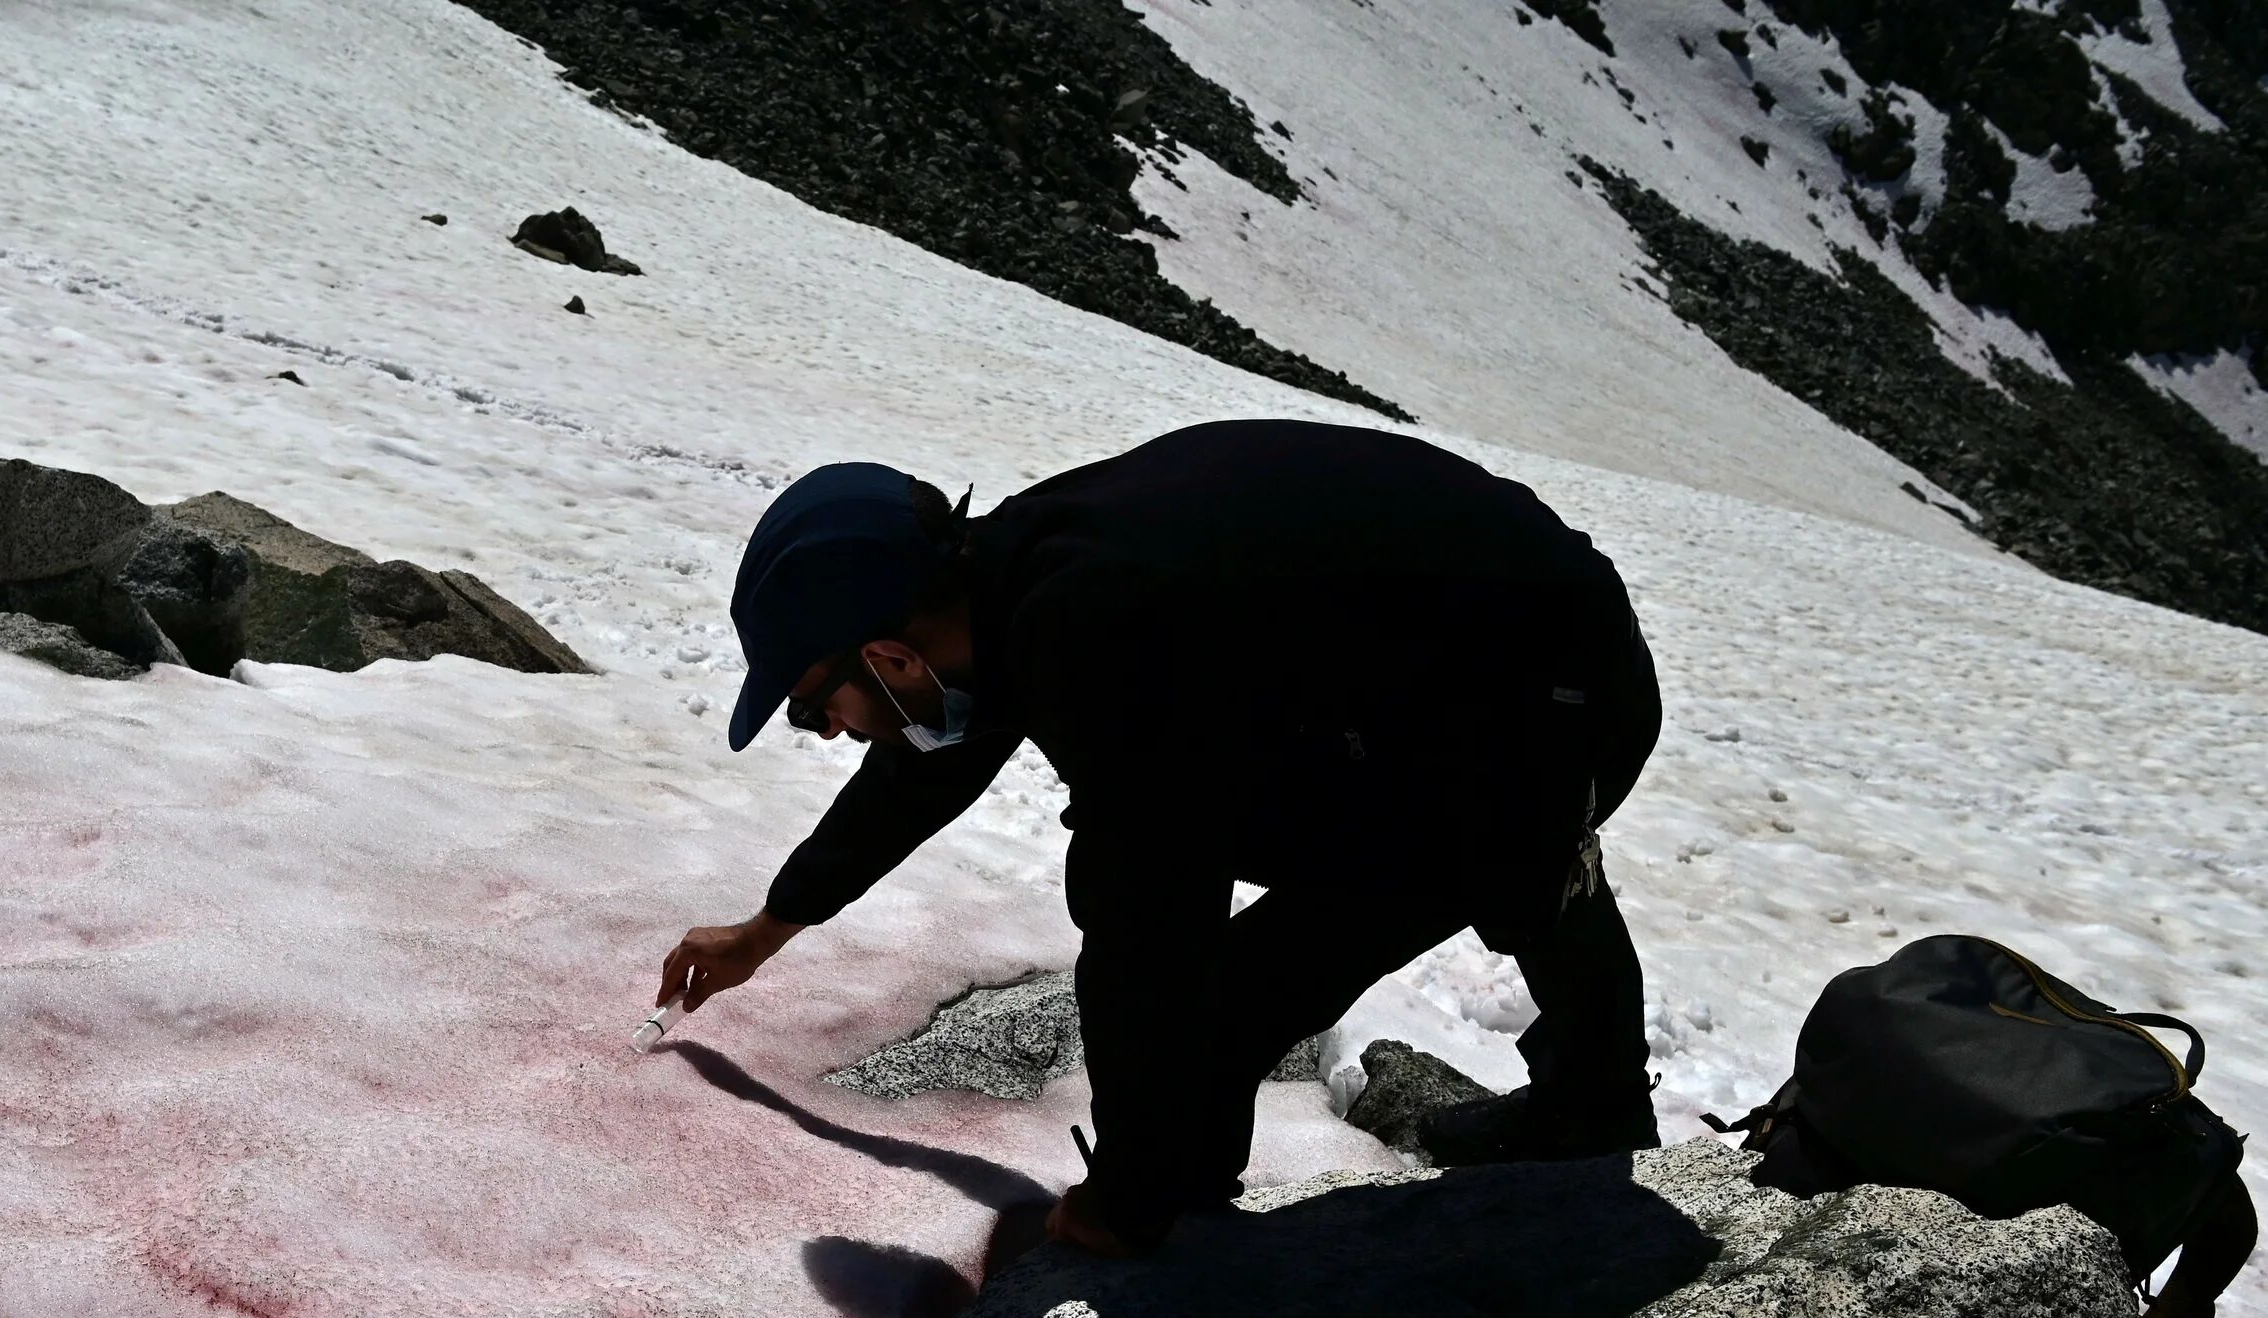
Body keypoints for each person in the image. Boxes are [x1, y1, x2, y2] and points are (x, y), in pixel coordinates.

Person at [657, 420, 1664, 1257]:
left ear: (888, 656)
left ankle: (1591, 1100)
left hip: (1551, 696)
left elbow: (1146, 916)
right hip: (1509, 659)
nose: (826, 728)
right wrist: (765, 930)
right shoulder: (1013, 578)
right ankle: (1584, 1073)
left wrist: (1128, 1198)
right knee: (1259, 859)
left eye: (810, 705)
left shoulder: (1097, 629)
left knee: (1228, 985)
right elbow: (927, 770)